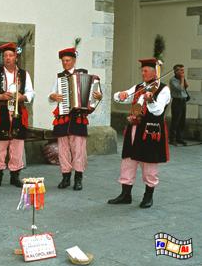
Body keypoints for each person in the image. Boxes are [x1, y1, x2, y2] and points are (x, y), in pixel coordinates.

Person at [108, 58, 170, 208]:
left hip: (150, 130)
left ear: (155, 72)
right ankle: (125, 194)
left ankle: (148, 196)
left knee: (149, 164)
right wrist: (120, 95)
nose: (143, 73)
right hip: (134, 129)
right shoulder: (139, 87)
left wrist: (151, 100)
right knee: (128, 162)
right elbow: (122, 98)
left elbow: (158, 111)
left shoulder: (163, 89)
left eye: (146, 71)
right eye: (142, 71)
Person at [48, 47, 102, 190]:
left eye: (68, 60)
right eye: (63, 61)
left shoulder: (83, 74)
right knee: (63, 149)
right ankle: (65, 177)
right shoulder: (59, 78)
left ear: (74, 60)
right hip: (63, 117)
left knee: (79, 149)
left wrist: (98, 97)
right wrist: (52, 96)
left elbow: (94, 95)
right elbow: (51, 96)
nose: (65, 63)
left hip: (78, 117)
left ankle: (78, 178)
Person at [0, 42, 35, 188]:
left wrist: (23, 97)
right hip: (0, 112)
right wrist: (0, 97)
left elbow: (31, 92)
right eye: (5, 55)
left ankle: (15, 176)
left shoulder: (24, 74)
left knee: (17, 145)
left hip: (18, 113)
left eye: (10, 55)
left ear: (16, 57)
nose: (7, 58)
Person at [168, 64, 189, 146]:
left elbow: (186, 86)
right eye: (181, 70)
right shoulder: (172, 80)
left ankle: (179, 138)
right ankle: (172, 139)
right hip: (177, 101)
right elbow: (180, 89)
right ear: (176, 71)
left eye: (183, 70)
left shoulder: (181, 78)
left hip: (183, 101)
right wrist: (182, 78)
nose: (183, 71)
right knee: (175, 121)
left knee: (182, 121)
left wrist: (183, 79)